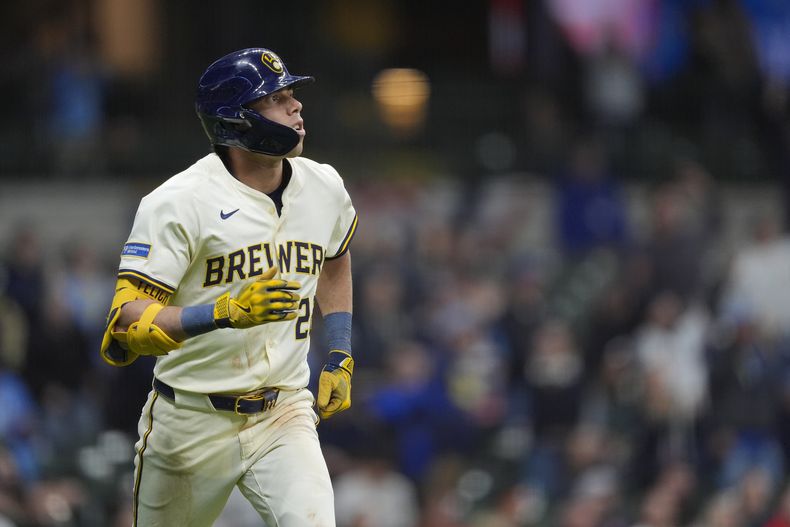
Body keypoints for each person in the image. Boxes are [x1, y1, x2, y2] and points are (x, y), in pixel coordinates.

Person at [99, 47, 358, 526]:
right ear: (235, 120)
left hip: (284, 412)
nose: (296, 106)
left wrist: (340, 349)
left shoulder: (324, 186)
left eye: (291, 94)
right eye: (276, 99)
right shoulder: (178, 201)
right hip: (190, 419)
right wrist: (222, 313)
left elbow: (335, 259)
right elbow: (126, 321)